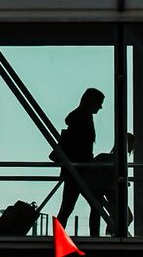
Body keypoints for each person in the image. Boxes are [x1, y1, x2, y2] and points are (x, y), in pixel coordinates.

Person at [54, 88, 104, 233]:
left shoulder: (81, 117)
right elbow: (78, 146)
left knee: (67, 208)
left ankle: (57, 238)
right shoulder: (82, 119)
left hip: (76, 170)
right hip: (80, 170)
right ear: (91, 102)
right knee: (95, 205)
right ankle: (94, 238)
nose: (100, 107)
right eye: (99, 103)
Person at [85, 133, 135, 237]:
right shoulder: (116, 160)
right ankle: (110, 234)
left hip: (99, 189)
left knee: (97, 211)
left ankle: (105, 234)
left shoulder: (107, 158)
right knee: (126, 216)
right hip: (108, 190)